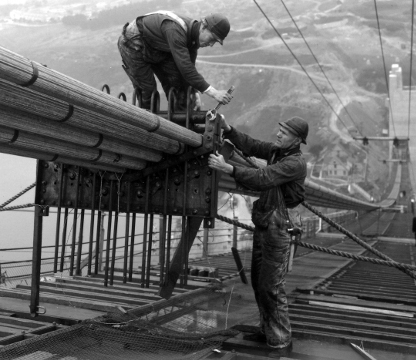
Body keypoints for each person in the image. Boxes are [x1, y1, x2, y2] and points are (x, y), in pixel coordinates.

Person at [208, 116, 309, 357]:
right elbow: (252, 145)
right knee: (258, 281)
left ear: (296, 140)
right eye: (280, 129)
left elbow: (263, 178)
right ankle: (267, 330)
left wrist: (228, 168)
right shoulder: (277, 152)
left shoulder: (295, 163)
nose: (279, 134)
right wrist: (228, 129)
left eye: (284, 132)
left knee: (270, 286)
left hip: (281, 226)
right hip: (267, 222)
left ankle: (280, 339)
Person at [117, 11, 233, 111]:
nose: (211, 44)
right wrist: (214, 93)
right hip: (134, 45)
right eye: (212, 38)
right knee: (148, 91)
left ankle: (181, 127)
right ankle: (146, 124)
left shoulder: (193, 38)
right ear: (203, 27)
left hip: (159, 48)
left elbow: (188, 69)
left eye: (215, 42)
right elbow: (186, 68)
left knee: (179, 88)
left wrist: (192, 92)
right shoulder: (175, 30)